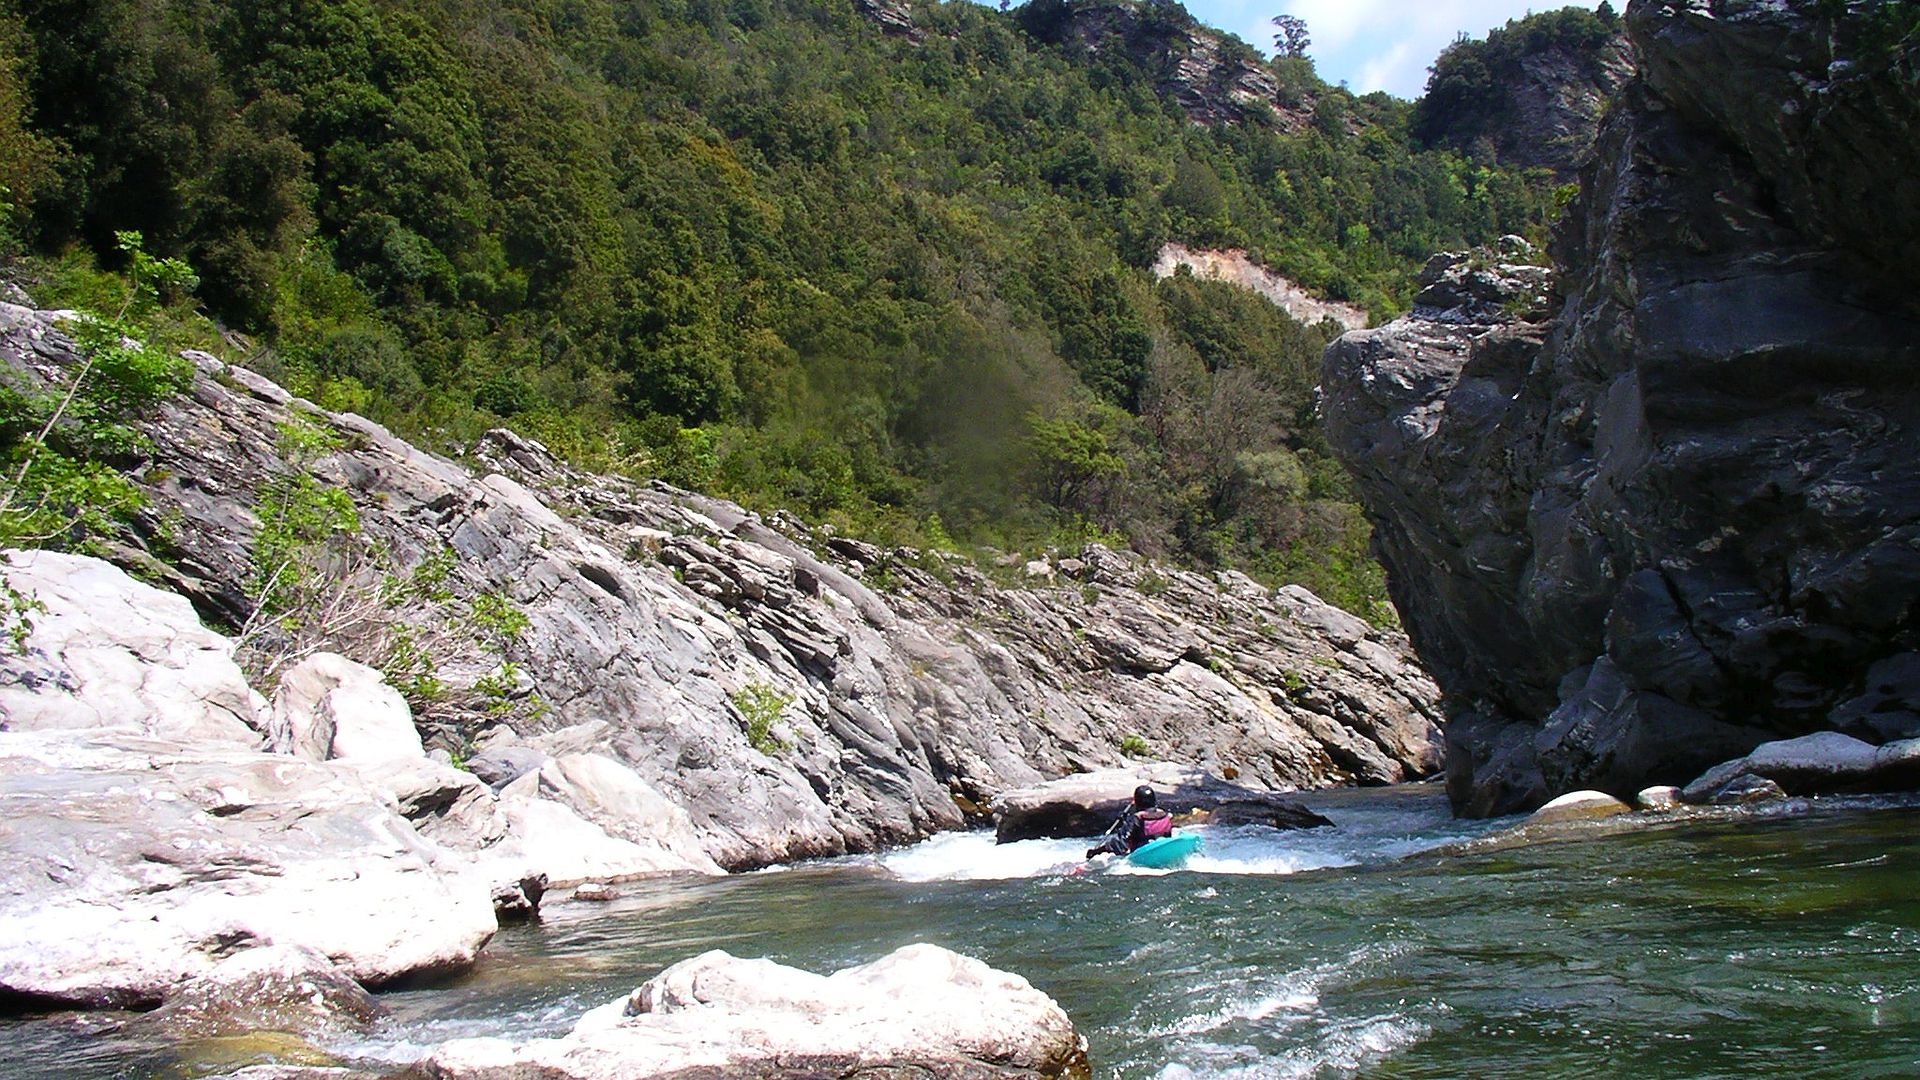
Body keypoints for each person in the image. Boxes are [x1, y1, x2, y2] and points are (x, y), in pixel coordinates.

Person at [1085, 785, 1174, 858]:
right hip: (1162, 849)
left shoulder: (1136, 818)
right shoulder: (1165, 815)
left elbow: (1120, 842)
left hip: (1142, 854)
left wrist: (1097, 851)